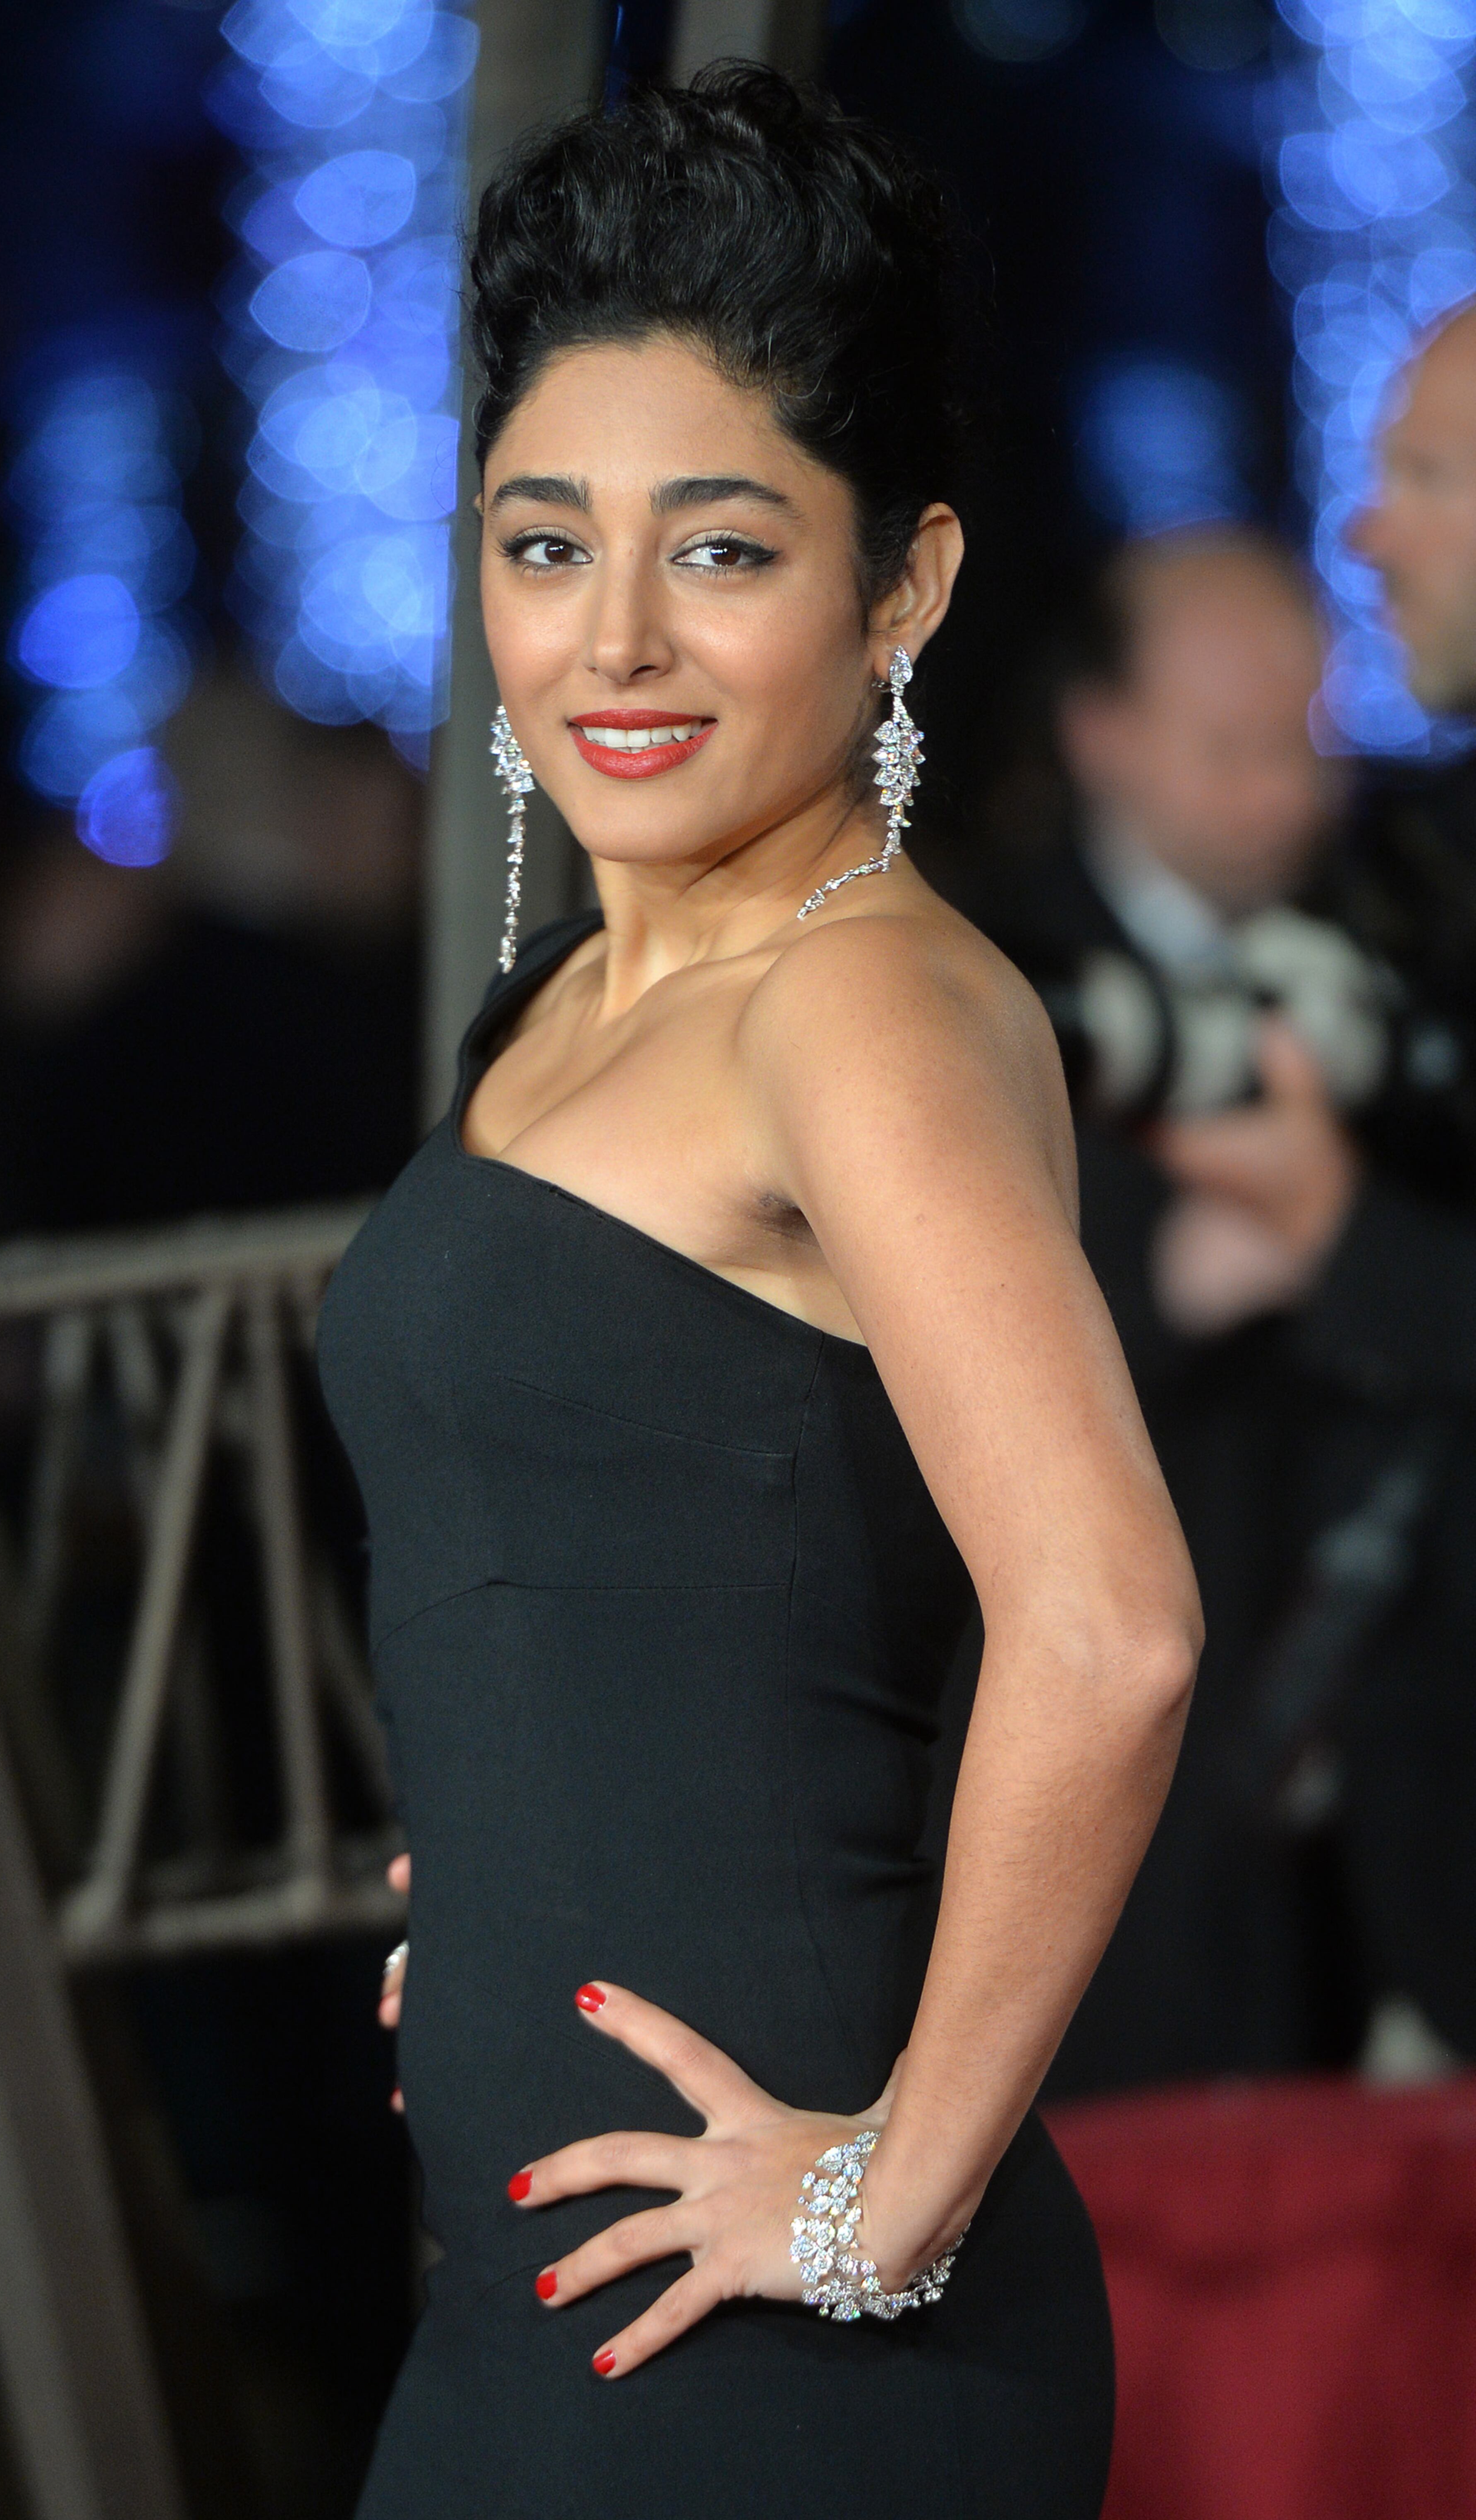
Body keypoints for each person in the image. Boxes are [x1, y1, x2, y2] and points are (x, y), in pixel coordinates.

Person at [318, 65, 1199, 2520]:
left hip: (787, 2354)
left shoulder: (859, 1003)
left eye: (721, 548)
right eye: (544, 542)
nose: (613, 636)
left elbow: (1112, 1628)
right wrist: (517, 1868)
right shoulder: (569, 1006)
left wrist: (882, 2198)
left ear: (901, 587)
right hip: (565, 2296)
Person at [948, 518, 1476, 2094]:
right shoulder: (980, 976)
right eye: (1234, 748)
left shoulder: (1408, 922)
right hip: (1154, 1820)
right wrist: (1166, 1283)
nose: (1288, 793)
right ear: (1100, 734)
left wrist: (1338, 1233)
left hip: (1412, 1792)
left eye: (1311, 739)